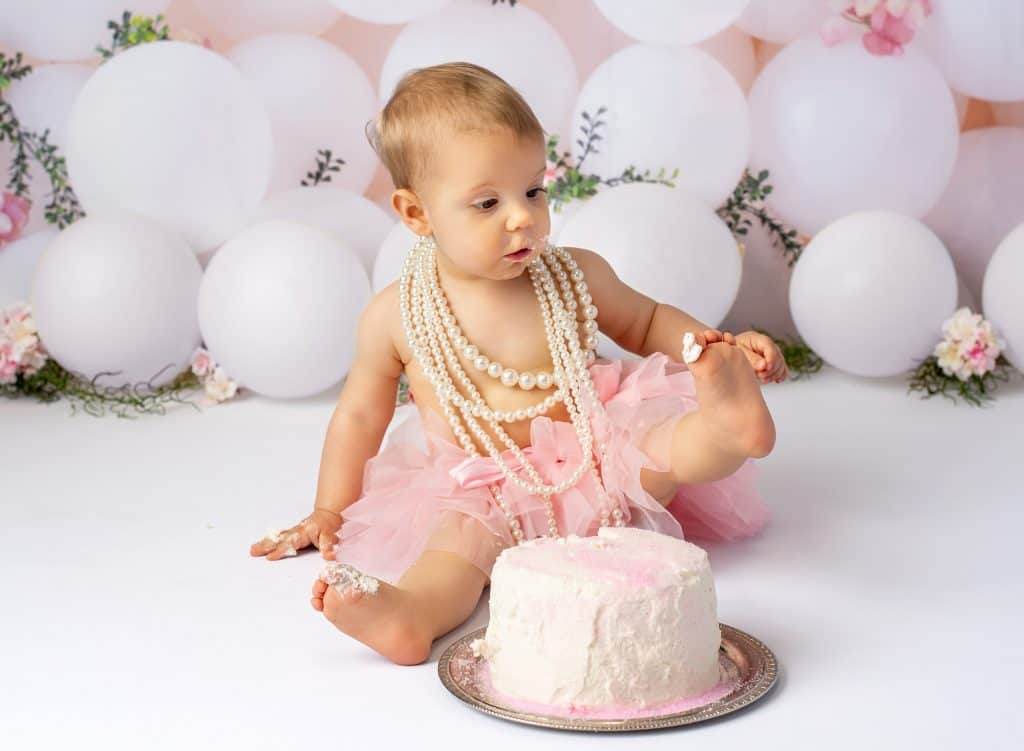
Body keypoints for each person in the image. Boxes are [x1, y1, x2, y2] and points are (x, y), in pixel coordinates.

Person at [250, 62, 788, 666]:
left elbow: (647, 321)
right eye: (487, 203)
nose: (523, 217)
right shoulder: (395, 315)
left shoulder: (572, 273)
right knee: (455, 554)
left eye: (533, 190)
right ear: (416, 213)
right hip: (483, 486)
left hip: (592, 448)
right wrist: (329, 508)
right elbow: (358, 417)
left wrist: (709, 347)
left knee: (660, 448)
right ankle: (413, 616)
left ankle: (726, 423)